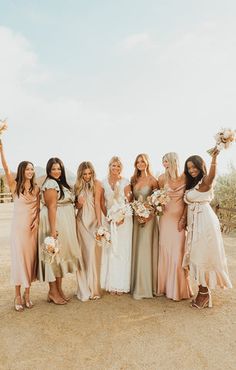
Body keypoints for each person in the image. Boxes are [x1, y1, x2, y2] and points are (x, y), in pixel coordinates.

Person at [183, 149, 232, 308]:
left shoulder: (205, 181)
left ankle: (204, 294)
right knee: (196, 256)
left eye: (194, 167)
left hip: (204, 221)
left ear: (200, 166)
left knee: (203, 255)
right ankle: (203, 291)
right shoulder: (192, 184)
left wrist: (214, 159)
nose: (191, 170)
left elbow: (211, 177)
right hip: (194, 222)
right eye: (189, 168)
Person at [38, 157, 90, 304]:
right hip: (55, 223)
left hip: (65, 222)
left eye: (59, 168)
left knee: (60, 256)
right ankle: (53, 292)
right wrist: (53, 231)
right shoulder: (50, 184)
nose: (56, 171)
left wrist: (79, 203)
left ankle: (58, 290)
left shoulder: (62, 183)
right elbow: (52, 207)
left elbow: (72, 204)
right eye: (53, 168)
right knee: (53, 256)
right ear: (48, 170)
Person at [0, 141, 39, 311]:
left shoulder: (37, 188)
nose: (30, 171)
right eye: (27, 169)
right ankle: (17, 294)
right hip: (18, 230)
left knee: (29, 261)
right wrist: (1, 150)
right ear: (22, 171)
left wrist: (37, 221)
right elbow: (7, 169)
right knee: (18, 261)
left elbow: (39, 208)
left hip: (31, 230)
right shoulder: (15, 185)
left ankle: (27, 294)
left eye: (32, 168)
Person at [158, 152, 192, 301]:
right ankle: (165, 287)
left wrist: (184, 218)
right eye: (163, 162)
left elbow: (188, 200)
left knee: (178, 253)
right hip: (165, 220)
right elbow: (158, 198)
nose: (164, 164)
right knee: (165, 250)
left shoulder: (186, 177)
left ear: (174, 161)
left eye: (166, 161)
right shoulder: (161, 178)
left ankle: (178, 289)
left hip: (179, 219)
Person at [100, 156, 133, 295]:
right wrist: (108, 217)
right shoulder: (103, 182)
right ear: (109, 166)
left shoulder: (125, 181)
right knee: (110, 251)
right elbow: (102, 202)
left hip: (123, 221)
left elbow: (129, 200)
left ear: (121, 168)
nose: (116, 168)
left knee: (122, 251)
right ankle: (111, 284)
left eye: (118, 166)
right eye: (113, 166)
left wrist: (122, 216)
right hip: (109, 220)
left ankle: (121, 284)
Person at [130, 153, 159, 299]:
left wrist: (148, 215)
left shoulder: (153, 180)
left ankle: (145, 288)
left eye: (143, 161)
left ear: (147, 163)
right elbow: (131, 200)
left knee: (145, 249)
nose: (140, 164)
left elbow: (158, 202)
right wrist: (136, 213)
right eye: (138, 162)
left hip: (149, 219)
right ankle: (135, 285)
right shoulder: (133, 180)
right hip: (136, 219)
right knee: (136, 248)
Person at [74, 161, 103, 299]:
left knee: (92, 253)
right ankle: (83, 288)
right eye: (84, 173)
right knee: (82, 255)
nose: (87, 176)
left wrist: (99, 223)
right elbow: (76, 207)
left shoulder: (97, 184)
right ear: (81, 174)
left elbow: (97, 203)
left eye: (89, 173)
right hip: (80, 222)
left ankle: (94, 289)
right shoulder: (77, 186)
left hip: (92, 222)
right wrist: (79, 203)